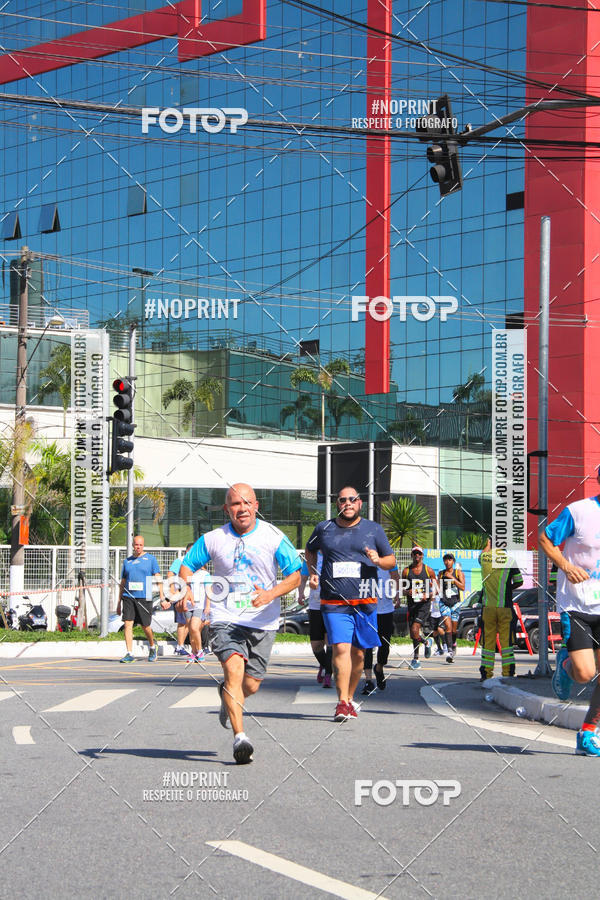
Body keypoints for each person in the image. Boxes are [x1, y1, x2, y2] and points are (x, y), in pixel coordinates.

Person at [178, 483, 301, 764]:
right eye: (235, 504)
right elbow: (187, 566)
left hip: (263, 620)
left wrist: (270, 594)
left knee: (252, 685)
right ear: (226, 509)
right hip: (225, 618)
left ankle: (228, 699)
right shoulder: (212, 539)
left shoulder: (273, 537)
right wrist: (185, 587)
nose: (241, 508)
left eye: (247, 503)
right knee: (233, 671)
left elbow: (296, 574)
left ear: (256, 506)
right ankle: (240, 738)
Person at [305, 485, 396, 721]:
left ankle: (349, 696)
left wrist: (378, 560)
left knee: (359, 654)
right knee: (341, 648)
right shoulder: (323, 528)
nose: (348, 503)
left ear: (360, 503)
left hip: (365, 601)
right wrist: (313, 571)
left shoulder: (373, 529)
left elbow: (391, 561)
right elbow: (310, 548)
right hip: (333, 602)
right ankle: (342, 702)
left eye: (352, 499)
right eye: (343, 499)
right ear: (338, 503)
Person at [539, 474, 600, 756]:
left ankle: (588, 733)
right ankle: (565, 665)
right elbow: (545, 538)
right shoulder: (579, 511)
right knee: (586, 673)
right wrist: (565, 565)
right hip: (577, 604)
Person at [479, 539, 523, 680]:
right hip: (505, 608)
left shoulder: (484, 558)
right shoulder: (510, 561)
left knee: (488, 643)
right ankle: (508, 674)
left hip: (488, 608)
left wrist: (487, 544)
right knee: (506, 644)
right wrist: (507, 589)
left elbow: (483, 553)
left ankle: (486, 674)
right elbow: (519, 581)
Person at [117, 535, 164, 663]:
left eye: (140, 545)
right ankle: (129, 653)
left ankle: (152, 646)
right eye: (136, 545)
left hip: (145, 596)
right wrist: (118, 602)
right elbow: (123, 581)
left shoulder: (150, 559)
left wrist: (162, 596)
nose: (138, 547)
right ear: (133, 545)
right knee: (128, 624)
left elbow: (158, 577)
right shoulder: (127, 561)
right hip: (128, 597)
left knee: (145, 626)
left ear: (143, 545)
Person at [362, 567, 400, 693]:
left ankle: (379, 668)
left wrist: (398, 595)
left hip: (386, 610)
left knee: (384, 645)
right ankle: (368, 681)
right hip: (369, 609)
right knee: (367, 646)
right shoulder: (365, 558)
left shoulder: (389, 559)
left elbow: (396, 577)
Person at [298, 553, 333, 688]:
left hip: (332, 605)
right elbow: (303, 578)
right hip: (315, 605)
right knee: (316, 645)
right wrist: (300, 593)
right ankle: (325, 665)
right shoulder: (312, 557)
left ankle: (328, 675)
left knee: (330, 642)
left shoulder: (335, 553)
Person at [402, 546, 437, 669]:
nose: (417, 556)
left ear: (422, 556)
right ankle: (427, 642)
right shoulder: (406, 571)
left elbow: (437, 590)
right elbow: (401, 589)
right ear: (412, 555)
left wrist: (426, 595)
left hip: (424, 605)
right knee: (413, 633)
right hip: (412, 605)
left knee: (415, 629)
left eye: (419, 554)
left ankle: (415, 660)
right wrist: (408, 592)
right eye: (415, 553)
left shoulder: (429, 571)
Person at [163, 543, 194, 657]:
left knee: (187, 622)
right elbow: (170, 573)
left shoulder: (194, 563)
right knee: (182, 622)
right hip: (179, 594)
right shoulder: (180, 560)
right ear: (187, 551)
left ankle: (182, 645)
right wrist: (171, 590)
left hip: (189, 595)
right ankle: (179, 646)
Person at [438, 553, 465, 663]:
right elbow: (438, 588)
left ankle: (453, 644)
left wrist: (453, 579)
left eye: (449, 560)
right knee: (448, 627)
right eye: (445, 560)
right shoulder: (440, 574)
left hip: (455, 604)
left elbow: (462, 587)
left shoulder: (458, 573)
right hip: (444, 603)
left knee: (454, 630)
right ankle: (449, 652)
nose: (447, 562)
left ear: (453, 561)